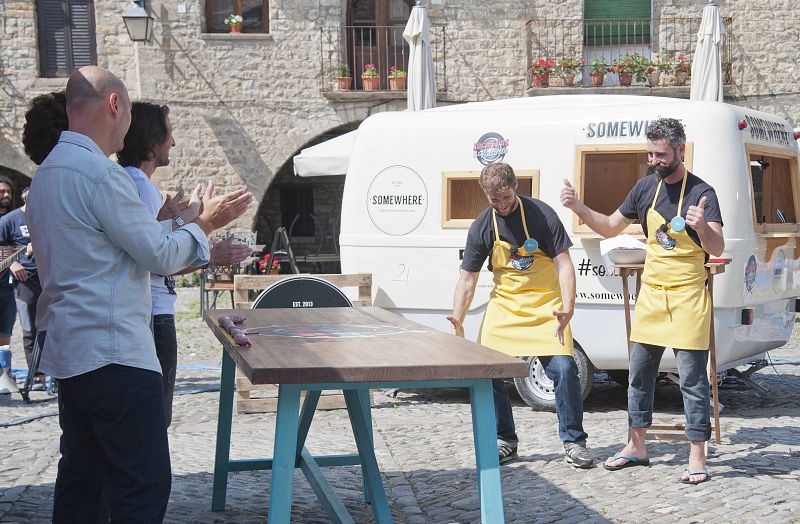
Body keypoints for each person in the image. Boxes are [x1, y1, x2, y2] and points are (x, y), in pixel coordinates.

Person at [27, 65, 253, 522]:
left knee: (83, 482)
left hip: (72, 351)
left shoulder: (48, 175)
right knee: (140, 485)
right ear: (115, 106)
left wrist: (180, 222)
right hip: (115, 354)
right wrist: (203, 223)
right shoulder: (99, 175)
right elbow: (159, 257)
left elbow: (115, 246)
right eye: (128, 112)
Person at [560, 117, 724, 485]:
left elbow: (717, 247)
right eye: (650, 153)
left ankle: (697, 455)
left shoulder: (702, 193)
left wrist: (701, 227)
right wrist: (579, 207)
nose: (654, 160)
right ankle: (637, 445)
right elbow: (609, 226)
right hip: (651, 294)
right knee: (639, 375)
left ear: (680, 151)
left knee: (693, 381)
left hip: (687, 296)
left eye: (661, 154)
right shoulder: (644, 188)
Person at [447, 162, 593, 468]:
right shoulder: (483, 225)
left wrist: (569, 306)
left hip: (545, 304)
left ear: (516, 187)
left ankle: (573, 441)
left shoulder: (542, 215)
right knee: (487, 371)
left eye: (506, 198)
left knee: (565, 370)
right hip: (506, 304)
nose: (501, 205)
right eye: (494, 200)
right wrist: (457, 318)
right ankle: (505, 440)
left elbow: (564, 264)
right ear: (486, 196)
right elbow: (468, 277)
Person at [117, 101, 251, 427]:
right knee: (154, 419)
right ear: (151, 142)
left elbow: (157, 246)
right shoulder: (139, 186)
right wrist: (206, 244)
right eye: (169, 134)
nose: (173, 142)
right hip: (153, 315)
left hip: (150, 313)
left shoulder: (135, 184)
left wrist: (188, 221)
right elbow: (159, 260)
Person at [0, 187, 46, 390]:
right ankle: (35, 374)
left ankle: (53, 372)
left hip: (48, 279)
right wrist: (14, 263)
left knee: (53, 327)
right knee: (30, 328)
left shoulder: (48, 219)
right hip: (24, 281)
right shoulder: (10, 220)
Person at [0, 175, 18, 394]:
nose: (5, 195)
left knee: (5, 332)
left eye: (8, 192)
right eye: (1, 191)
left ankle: (5, 373)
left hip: (8, 286)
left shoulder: (14, 219)